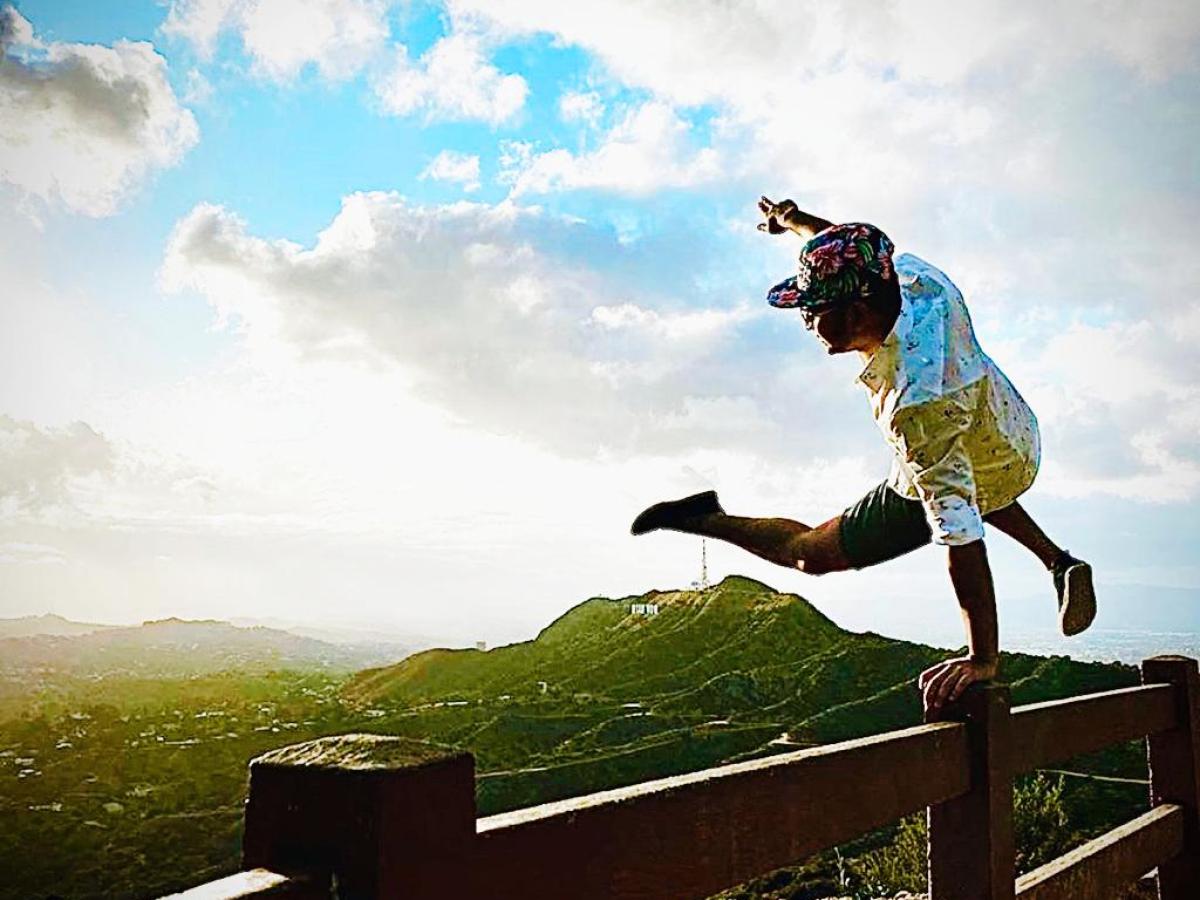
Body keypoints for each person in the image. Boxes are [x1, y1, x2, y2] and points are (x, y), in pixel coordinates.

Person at [630, 196, 1096, 715]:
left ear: (855, 311)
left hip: (958, 438)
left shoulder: (916, 405)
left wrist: (981, 657)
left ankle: (706, 517)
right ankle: (1059, 561)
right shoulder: (917, 280)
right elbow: (842, 247)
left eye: (813, 311)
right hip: (1010, 434)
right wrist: (791, 220)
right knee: (968, 481)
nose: (805, 322)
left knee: (811, 553)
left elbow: (960, 537)